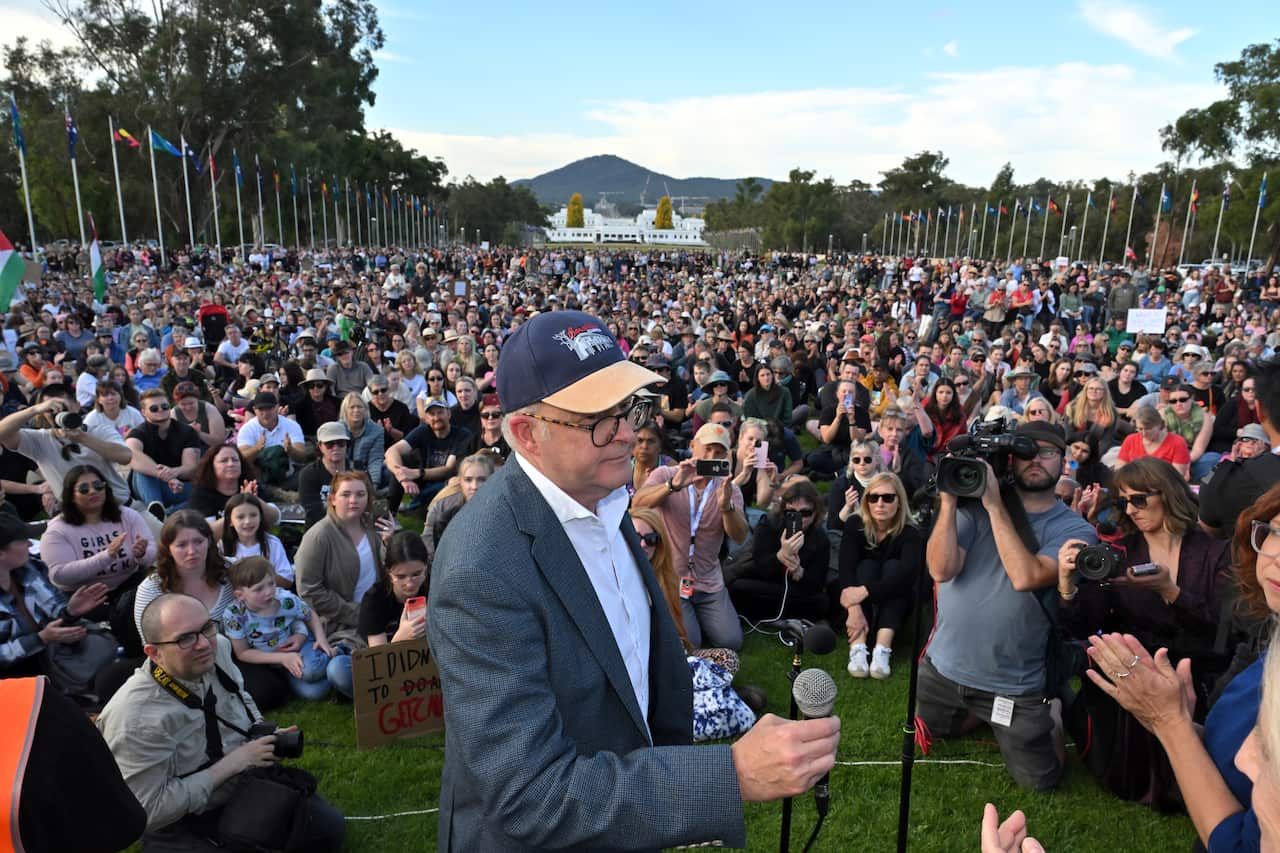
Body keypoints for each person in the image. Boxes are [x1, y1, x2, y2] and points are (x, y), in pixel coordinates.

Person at [427, 310, 839, 850]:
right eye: (599, 419)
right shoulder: (481, 570)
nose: (628, 432)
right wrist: (728, 775)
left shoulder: (603, 494)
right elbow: (531, 795)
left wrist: (665, 787)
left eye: (627, 408)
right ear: (528, 434)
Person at [1083, 481, 1280, 852]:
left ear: (1169, 497)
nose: (1278, 556)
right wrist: (1183, 725)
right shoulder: (1123, 549)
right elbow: (1234, 753)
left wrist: (1170, 724)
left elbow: (1241, 846)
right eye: (1275, 532)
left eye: (1140, 499)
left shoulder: (1208, 553)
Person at [921, 421, 1097, 791]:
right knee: (936, 728)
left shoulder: (1075, 530)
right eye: (1026, 451)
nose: (1036, 460)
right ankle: (980, 713)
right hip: (944, 669)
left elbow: (1026, 576)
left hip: (1012, 683)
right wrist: (949, 502)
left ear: (1064, 461)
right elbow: (940, 569)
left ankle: (1052, 708)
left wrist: (994, 504)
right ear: (1010, 459)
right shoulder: (971, 506)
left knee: (1040, 780)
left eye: (1047, 452)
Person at [95, 593, 346, 851]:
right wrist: (235, 762)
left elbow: (240, 697)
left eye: (206, 627)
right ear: (154, 653)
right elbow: (148, 812)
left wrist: (261, 734)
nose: (204, 644)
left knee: (329, 832)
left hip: (240, 785)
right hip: (183, 820)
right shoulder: (134, 718)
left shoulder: (219, 648)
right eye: (185, 638)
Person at [634, 422, 749, 651]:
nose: (711, 456)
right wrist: (672, 486)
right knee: (690, 643)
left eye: (719, 452)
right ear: (692, 446)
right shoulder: (667, 474)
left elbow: (739, 536)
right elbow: (638, 504)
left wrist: (726, 507)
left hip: (709, 580)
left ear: (725, 456)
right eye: (707, 449)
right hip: (672, 577)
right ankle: (685, 620)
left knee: (731, 641)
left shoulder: (729, 489)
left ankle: (696, 618)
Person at [294, 470, 393, 698]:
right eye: (346, 494)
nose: (353, 500)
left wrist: (390, 543)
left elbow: (397, 575)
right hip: (338, 623)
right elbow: (309, 591)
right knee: (335, 674)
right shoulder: (318, 536)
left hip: (378, 616)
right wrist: (357, 614)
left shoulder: (374, 527)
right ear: (332, 499)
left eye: (360, 494)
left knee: (324, 683)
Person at [0, 514, 110, 686]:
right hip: (16, 676)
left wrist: (70, 612)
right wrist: (41, 638)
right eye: (22, 541)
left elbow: (55, 613)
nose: (30, 544)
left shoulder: (31, 567)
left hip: (52, 654)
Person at [837, 472, 924, 680]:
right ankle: (858, 646)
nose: (880, 503)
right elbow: (846, 570)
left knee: (894, 569)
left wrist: (865, 591)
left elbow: (907, 577)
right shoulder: (855, 524)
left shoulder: (911, 533)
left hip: (898, 596)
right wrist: (854, 609)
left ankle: (882, 649)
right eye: (873, 497)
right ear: (866, 501)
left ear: (899, 502)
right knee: (866, 566)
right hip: (860, 591)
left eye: (888, 498)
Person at [0, 386, 134, 514]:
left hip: (118, 507)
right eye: (50, 410)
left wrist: (83, 438)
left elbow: (126, 457)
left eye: (64, 407)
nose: (57, 413)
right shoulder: (40, 439)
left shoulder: (99, 430)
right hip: (76, 516)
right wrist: (34, 410)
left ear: (77, 406)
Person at [40, 464, 155, 605]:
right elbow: (59, 575)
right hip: (84, 599)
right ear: (71, 496)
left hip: (130, 586)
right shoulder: (57, 530)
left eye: (98, 486)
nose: (93, 491)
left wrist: (141, 554)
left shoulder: (128, 515)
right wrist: (106, 556)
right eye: (84, 489)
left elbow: (151, 553)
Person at [224, 556, 335, 700]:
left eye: (271, 583)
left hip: (300, 648)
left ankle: (336, 654)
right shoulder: (234, 615)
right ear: (240, 595)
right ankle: (333, 672)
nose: (269, 591)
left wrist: (321, 639)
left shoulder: (285, 600)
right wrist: (282, 658)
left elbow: (310, 615)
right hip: (277, 662)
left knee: (311, 671)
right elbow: (242, 652)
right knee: (314, 693)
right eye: (259, 589)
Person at [726, 477, 830, 623]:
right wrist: (780, 556)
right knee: (738, 587)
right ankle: (782, 616)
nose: (799, 518)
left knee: (822, 602)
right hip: (764, 583)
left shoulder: (820, 538)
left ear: (815, 513)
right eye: (791, 513)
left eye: (805, 513)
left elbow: (817, 583)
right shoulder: (769, 525)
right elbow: (760, 567)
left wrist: (799, 571)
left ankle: (773, 615)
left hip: (795, 589)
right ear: (783, 510)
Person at [384, 396, 471, 514]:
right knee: (399, 464)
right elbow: (392, 451)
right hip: (424, 479)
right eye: (432, 414)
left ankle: (414, 506)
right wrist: (402, 476)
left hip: (447, 482)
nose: (436, 418)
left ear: (449, 414)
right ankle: (390, 513)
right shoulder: (423, 430)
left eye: (440, 412)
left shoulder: (462, 435)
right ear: (426, 418)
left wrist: (416, 473)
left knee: (443, 486)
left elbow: (448, 469)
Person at [127, 388, 202, 512]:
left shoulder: (187, 431)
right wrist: (166, 476)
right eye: (154, 408)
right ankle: (156, 509)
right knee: (141, 470)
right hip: (147, 487)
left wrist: (173, 473)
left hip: (178, 487)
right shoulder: (137, 433)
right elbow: (132, 455)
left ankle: (162, 514)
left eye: (165, 406)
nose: (160, 410)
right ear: (143, 412)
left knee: (199, 494)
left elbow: (190, 468)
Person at [422, 451, 495, 564]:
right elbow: (432, 553)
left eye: (481, 479)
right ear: (460, 481)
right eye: (468, 480)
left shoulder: (505, 513)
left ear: (492, 480)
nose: (474, 486)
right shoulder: (444, 514)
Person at [219, 493, 294, 586]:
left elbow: (287, 580)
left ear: (260, 517)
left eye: (253, 515)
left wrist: (258, 577)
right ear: (230, 521)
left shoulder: (272, 543)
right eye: (240, 517)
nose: (248, 521)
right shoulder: (222, 545)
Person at [1117, 405, 1191, 479]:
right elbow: (1119, 470)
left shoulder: (1177, 442)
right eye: (1140, 429)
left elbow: (1177, 476)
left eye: (1148, 429)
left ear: (1160, 425)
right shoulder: (1130, 440)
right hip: (1135, 483)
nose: (1144, 433)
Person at [340, 392, 385, 490]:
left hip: (366, 471)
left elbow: (375, 460)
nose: (356, 410)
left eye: (359, 407)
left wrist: (373, 485)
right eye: (352, 407)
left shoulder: (377, 431)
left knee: (388, 471)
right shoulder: (337, 429)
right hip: (341, 472)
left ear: (365, 410)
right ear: (345, 410)